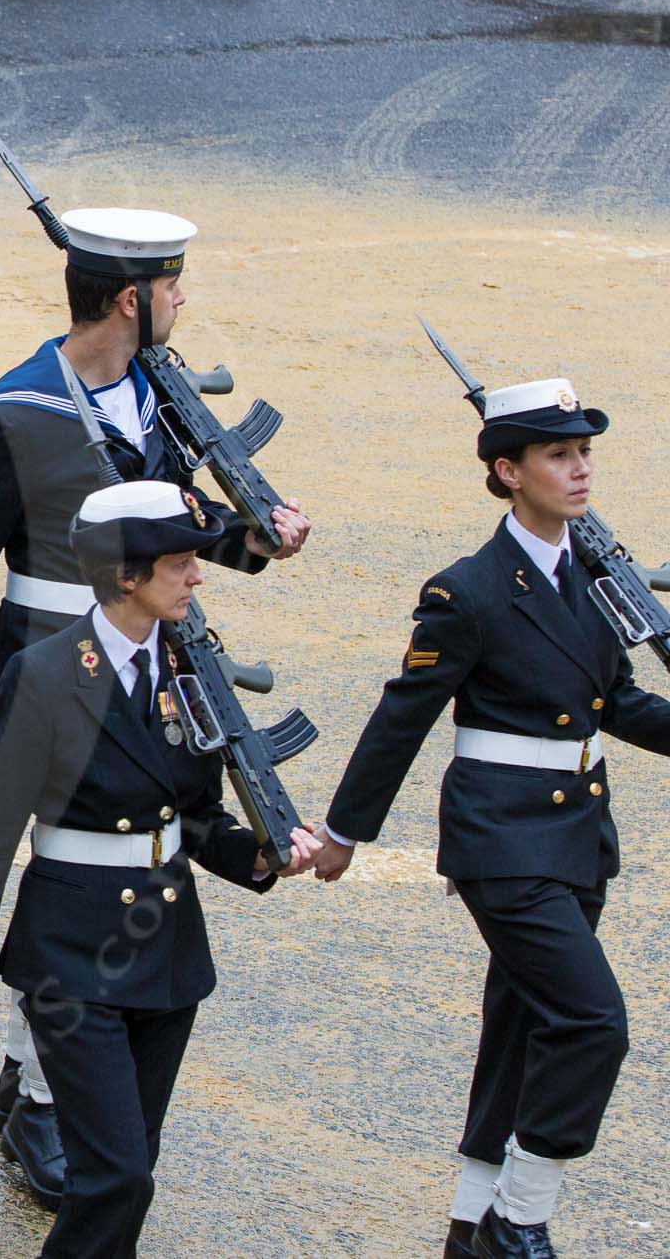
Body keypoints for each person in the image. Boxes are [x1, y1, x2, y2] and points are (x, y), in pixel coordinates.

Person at [0, 207, 312, 1203]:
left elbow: (182, 526)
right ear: (129, 299)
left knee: (128, 848)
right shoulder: (15, 407)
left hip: (153, 646)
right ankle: (41, 1100)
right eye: (170, 286)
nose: (181, 300)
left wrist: (255, 538)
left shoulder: (158, 400)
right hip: (47, 652)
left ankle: (33, 1075)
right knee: (73, 861)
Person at [315, 378, 670, 1259]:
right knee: (593, 1023)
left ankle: (471, 1226)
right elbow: (403, 716)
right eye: (558, 454)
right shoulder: (467, 591)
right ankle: (522, 1215)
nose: (580, 468)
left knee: (523, 1025)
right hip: (502, 843)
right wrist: (344, 832)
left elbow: (615, 701)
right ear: (508, 471)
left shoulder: (593, 577)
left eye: (585, 451)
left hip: (577, 836)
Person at [0, 479, 319, 1259]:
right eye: (180, 561)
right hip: (71, 950)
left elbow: (196, 812)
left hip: (165, 943)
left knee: (130, 1165)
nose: (198, 574)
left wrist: (263, 854)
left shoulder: (189, 670)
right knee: (114, 1176)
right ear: (126, 576)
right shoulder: (44, 673)